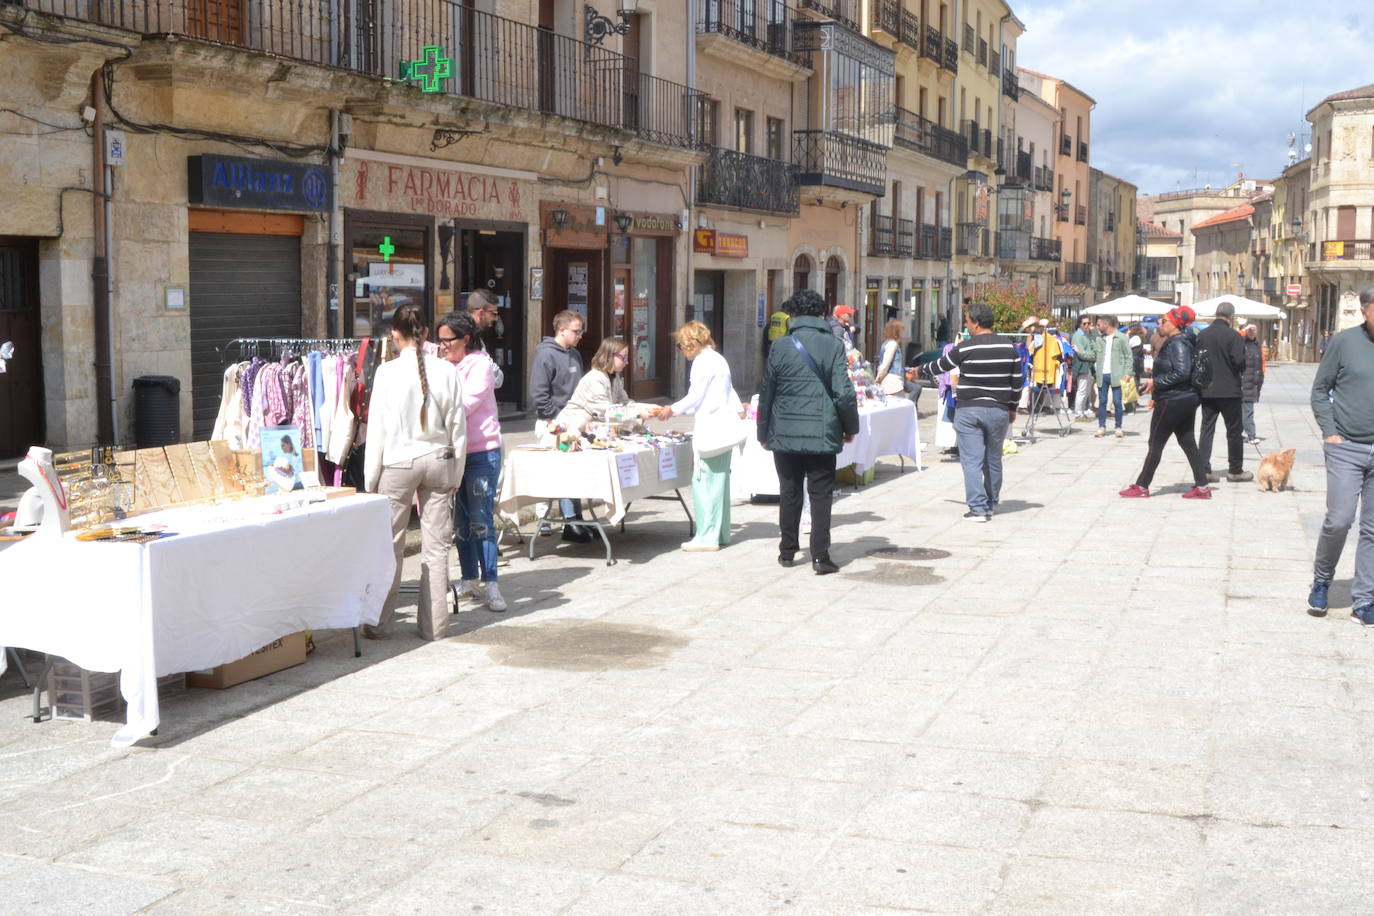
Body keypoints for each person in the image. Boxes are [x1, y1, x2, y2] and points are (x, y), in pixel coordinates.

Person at [363, 303, 466, 640]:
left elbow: (375, 429)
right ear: (424, 334)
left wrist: (369, 478)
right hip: (438, 460)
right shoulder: (448, 371)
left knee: (388, 546)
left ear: (395, 335)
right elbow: (458, 428)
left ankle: (379, 624)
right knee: (436, 549)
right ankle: (435, 627)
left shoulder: (386, 372)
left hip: (397, 463)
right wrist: (457, 473)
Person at [757, 289, 858, 574]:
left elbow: (767, 392)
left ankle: (787, 551)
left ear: (792, 315)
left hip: (785, 432)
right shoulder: (833, 344)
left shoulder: (780, 346)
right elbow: (843, 393)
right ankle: (820, 557)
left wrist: (763, 432)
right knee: (821, 494)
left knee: (789, 492)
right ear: (820, 314)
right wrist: (850, 427)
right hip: (822, 432)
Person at [1306, 288, 1374, 623]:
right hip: (1347, 446)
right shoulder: (1344, 343)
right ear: (1365, 311)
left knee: (1373, 530)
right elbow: (1320, 390)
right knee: (1339, 520)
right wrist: (1331, 433)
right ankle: (1322, 580)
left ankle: (1364, 600)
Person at [920, 301, 1023, 522]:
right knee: (993, 458)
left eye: (967, 322)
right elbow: (1017, 382)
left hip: (969, 411)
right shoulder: (1009, 348)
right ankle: (991, 502)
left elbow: (940, 365)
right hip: (998, 410)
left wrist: (917, 370)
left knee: (971, 460)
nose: (966, 326)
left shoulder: (965, 347)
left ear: (976, 324)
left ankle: (977, 508)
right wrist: (1012, 408)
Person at [437, 311, 506, 613]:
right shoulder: (441, 365)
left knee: (481, 520)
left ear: (465, 339)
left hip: (481, 452)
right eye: (438, 341)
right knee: (461, 521)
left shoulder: (480, 365)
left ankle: (491, 583)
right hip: (454, 452)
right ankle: (468, 578)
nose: (442, 346)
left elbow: (464, 405)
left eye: (447, 341)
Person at [658, 321, 742, 552]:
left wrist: (671, 409)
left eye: (680, 346)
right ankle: (720, 532)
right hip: (722, 425)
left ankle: (707, 536)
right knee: (719, 482)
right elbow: (729, 391)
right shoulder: (718, 359)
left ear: (690, 343)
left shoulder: (702, 362)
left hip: (712, 427)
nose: (681, 350)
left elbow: (695, 396)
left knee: (705, 483)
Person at [1118, 305, 1211, 500]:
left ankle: (1142, 485)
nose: (1159, 323)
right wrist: (1155, 394)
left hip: (1173, 400)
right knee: (1187, 441)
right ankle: (1202, 486)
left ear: (1174, 323)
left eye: (1163, 320)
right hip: (1184, 398)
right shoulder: (1182, 341)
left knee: (1156, 443)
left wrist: (1155, 383)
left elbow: (1181, 372)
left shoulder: (1178, 343)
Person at [529, 309, 589, 541]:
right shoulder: (545, 355)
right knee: (564, 471)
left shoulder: (574, 355)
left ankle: (576, 518)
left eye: (581, 330)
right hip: (552, 423)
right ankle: (569, 521)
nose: (580, 335)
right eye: (576, 331)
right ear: (561, 330)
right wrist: (558, 419)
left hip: (574, 421)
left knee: (574, 471)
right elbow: (539, 395)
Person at [1196, 300, 1251, 483]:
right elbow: (1239, 363)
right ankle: (1235, 470)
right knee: (1234, 431)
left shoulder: (1203, 335)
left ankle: (1203, 469)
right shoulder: (1234, 336)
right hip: (1230, 391)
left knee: (1207, 429)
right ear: (1231, 317)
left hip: (1208, 390)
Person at [556, 336, 656, 433]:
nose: (627, 362)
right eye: (623, 357)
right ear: (610, 356)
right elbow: (606, 412)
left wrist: (646, 407)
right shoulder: (594, 379)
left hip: (590, 430)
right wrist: (638, 414)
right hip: (570, 430)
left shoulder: (614, 376)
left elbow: (624, 402)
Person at [1092, 315, 1133, 438]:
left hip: (1117, 374)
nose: (1098, 327)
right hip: (1102, 374)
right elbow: (1093, 354)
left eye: (1100, 324)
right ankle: (1101, 427)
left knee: (1117, 402)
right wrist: (1079, 352)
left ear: (1106, 324)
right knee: (1102, 402)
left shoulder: (1121, 338)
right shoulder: (1100, 339)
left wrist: (1128, 372)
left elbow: (1128, 357)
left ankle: (1118, 427)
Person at [464, 289, 505, 387]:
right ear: (481, 313)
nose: (496, 318)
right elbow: (497, 378)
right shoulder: (469, 337)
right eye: (493, 314)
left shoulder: (464, 331)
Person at [874, 319, 919, 401]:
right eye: (901, 330)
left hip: (891, 383)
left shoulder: (886, 343)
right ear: (896, 331)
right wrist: (878, 379)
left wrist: (907, 370)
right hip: (893, 383)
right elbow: (885, 364)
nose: (902, 333)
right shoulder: (892, 344)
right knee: (899, 408)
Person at [1240, 323, 1265, 444]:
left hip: (1253, 383)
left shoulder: (1256, 345)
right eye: (1249, 331)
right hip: (1244, 383)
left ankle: (1238, 434)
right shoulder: (1241, 343)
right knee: (1247, 411)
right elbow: (1236, 339)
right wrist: (1243, 332)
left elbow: (1260, 363)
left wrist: (1260, 378)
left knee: (1244, 411)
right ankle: (1251, 435)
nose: (1251, 332)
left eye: (1254, 331)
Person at [1070, 315, 1098, 419]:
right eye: (1084, 323)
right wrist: (1091, 355)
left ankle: (1081, 411)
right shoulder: (1078, 336)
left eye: (1088, 323)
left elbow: (1095, 348)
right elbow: (1081, 354)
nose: (1087, 325)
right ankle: (1078, 413)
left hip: (1087, 365)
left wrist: (1093, 332)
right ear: (1079, 324)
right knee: (1082, 390)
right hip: (1082, 365)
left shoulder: (1087, 335)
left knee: (1086, 390)